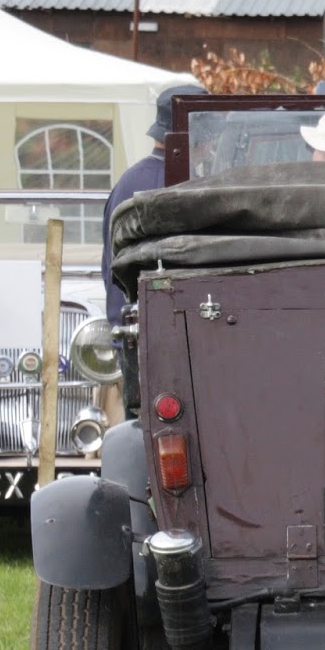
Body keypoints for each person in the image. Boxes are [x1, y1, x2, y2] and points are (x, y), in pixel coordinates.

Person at [102, 82, 206, 417]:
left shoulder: (129, 182)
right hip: (170, 336)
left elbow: (111, 268)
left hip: (134, 332)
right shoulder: (183, 185)